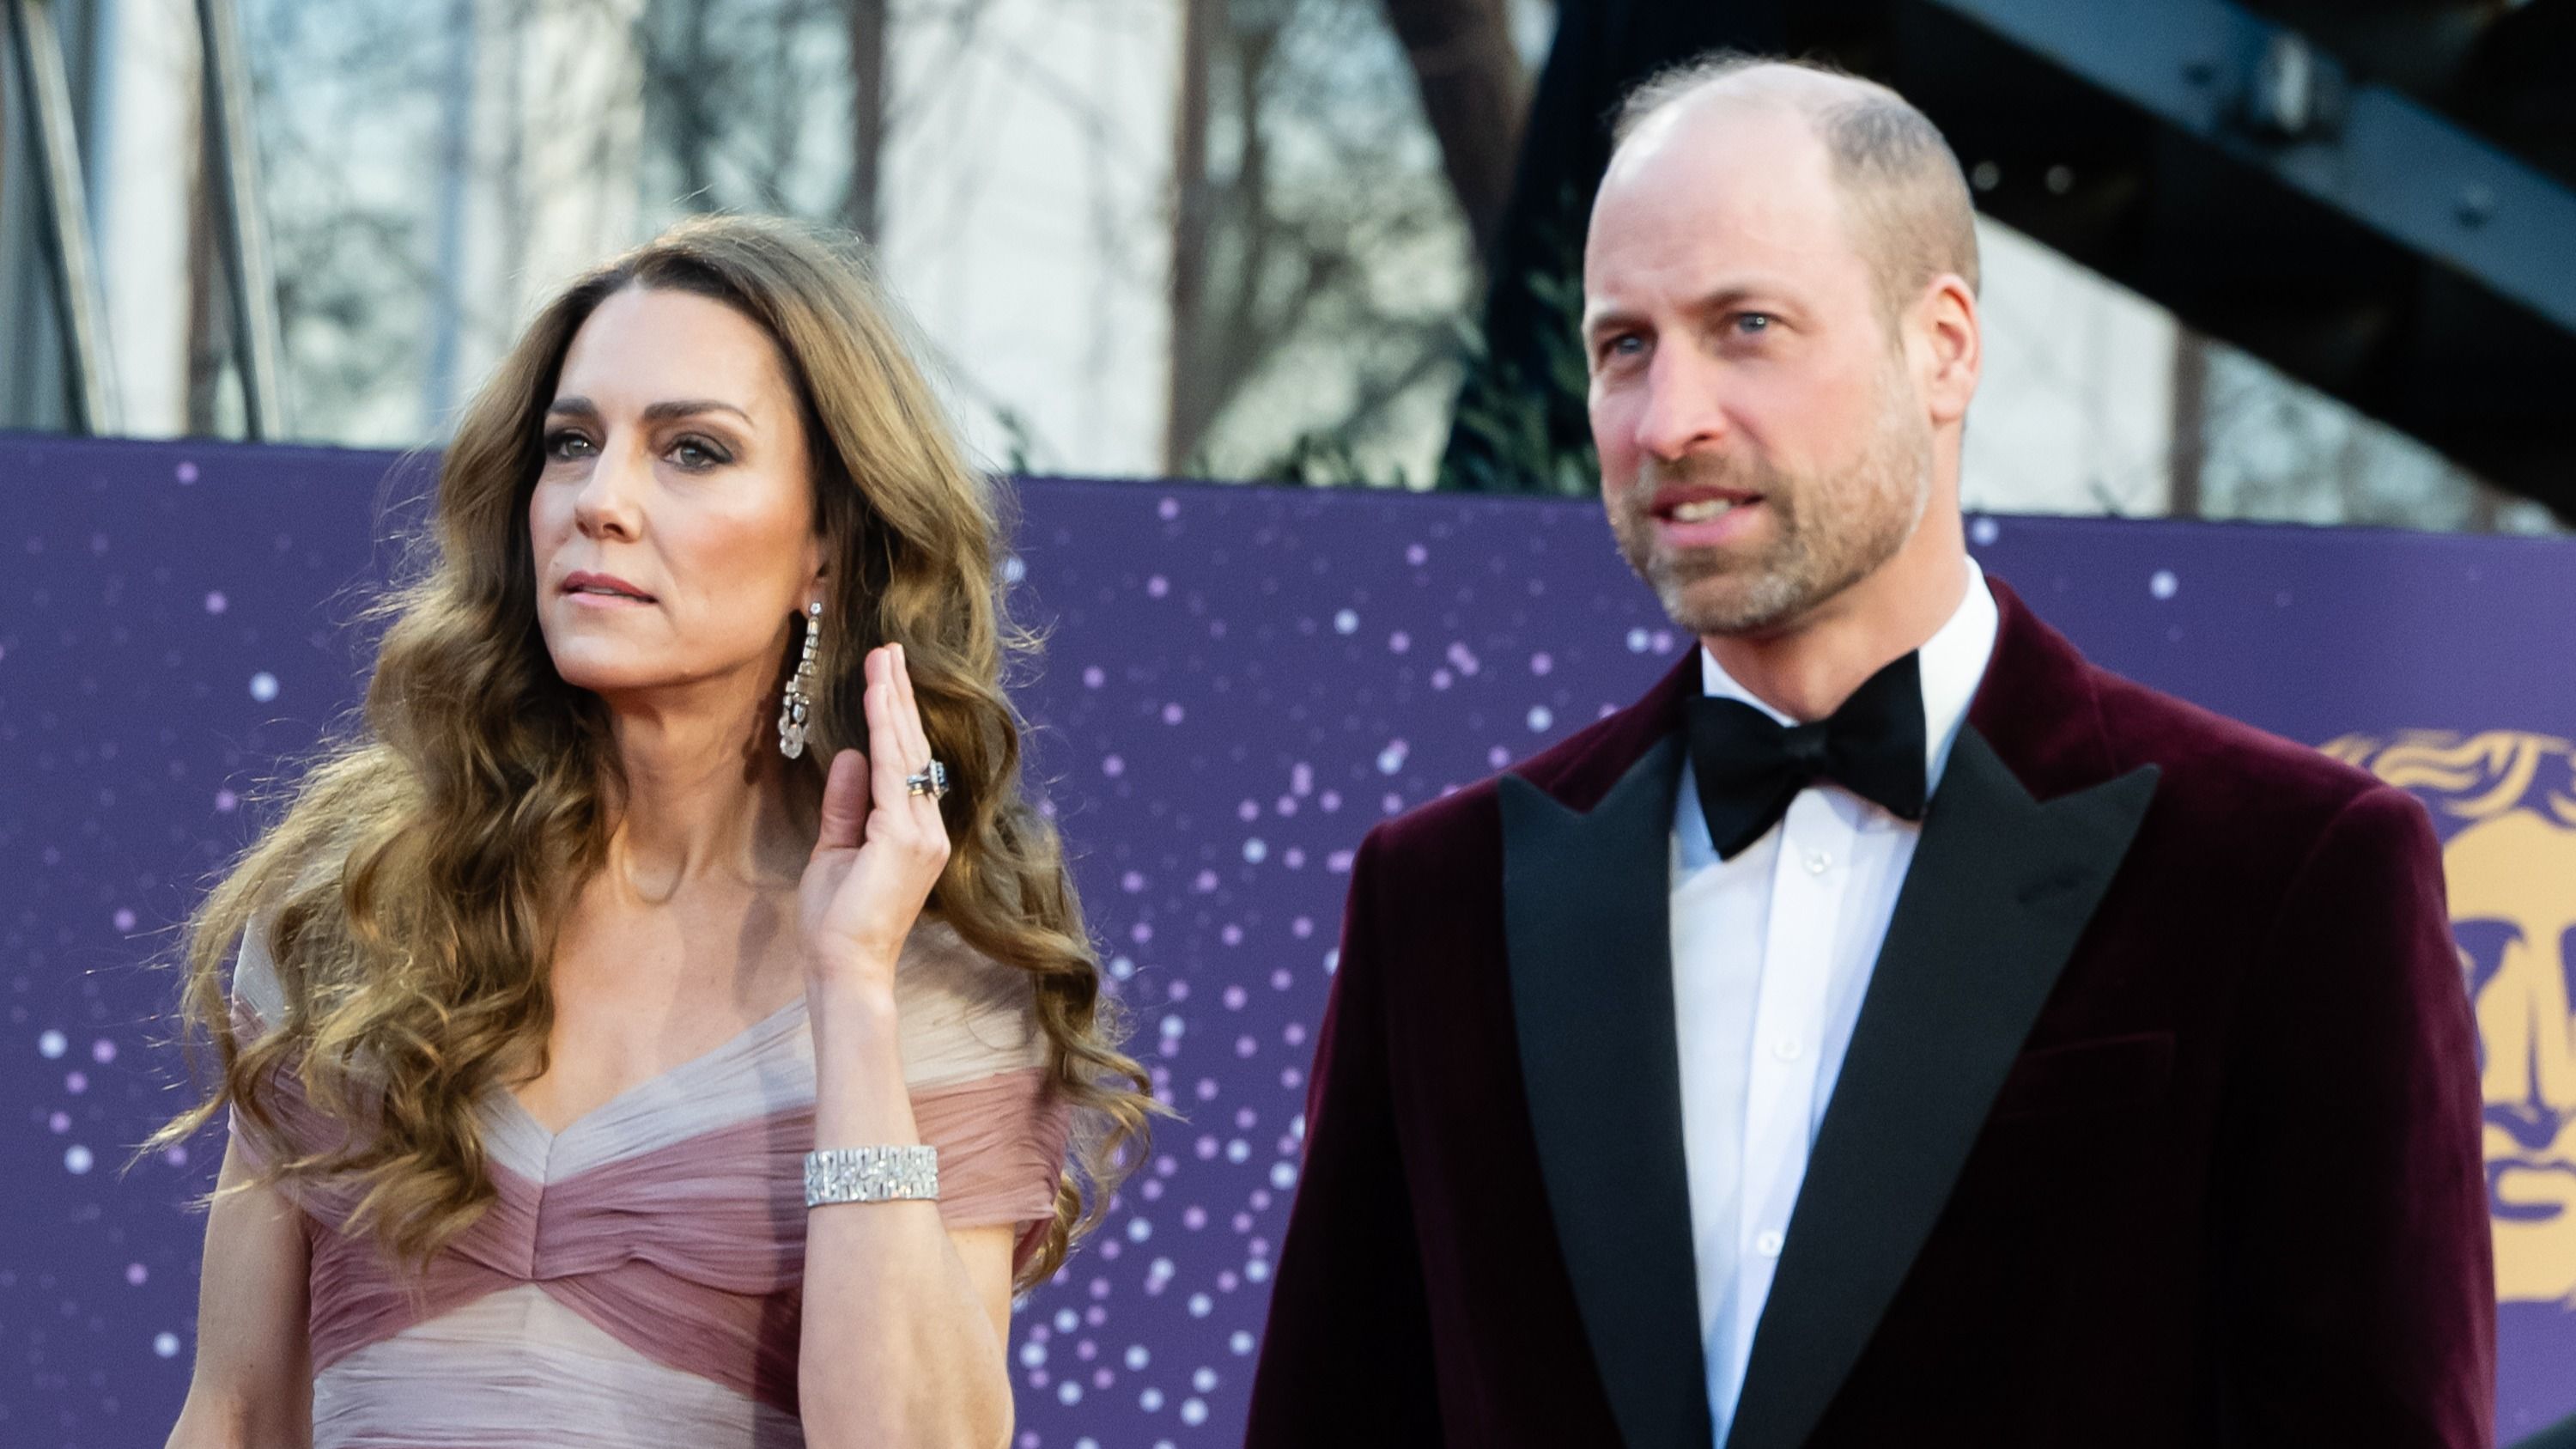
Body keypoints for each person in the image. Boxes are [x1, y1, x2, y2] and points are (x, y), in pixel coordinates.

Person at [1246, 54, 2492, 1448]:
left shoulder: (2288, 871)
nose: (1671, 422)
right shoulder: (1443, 898)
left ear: (1944, 346)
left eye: (1749, 326)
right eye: (1625, 347)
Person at [152, 215, 1151, 1448]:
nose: (601, 501)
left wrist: (852, 989)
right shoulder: (352, 914)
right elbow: (240, 1412)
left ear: (825, 548)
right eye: (571, 444)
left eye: (691, 451)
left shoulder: (934, 970)